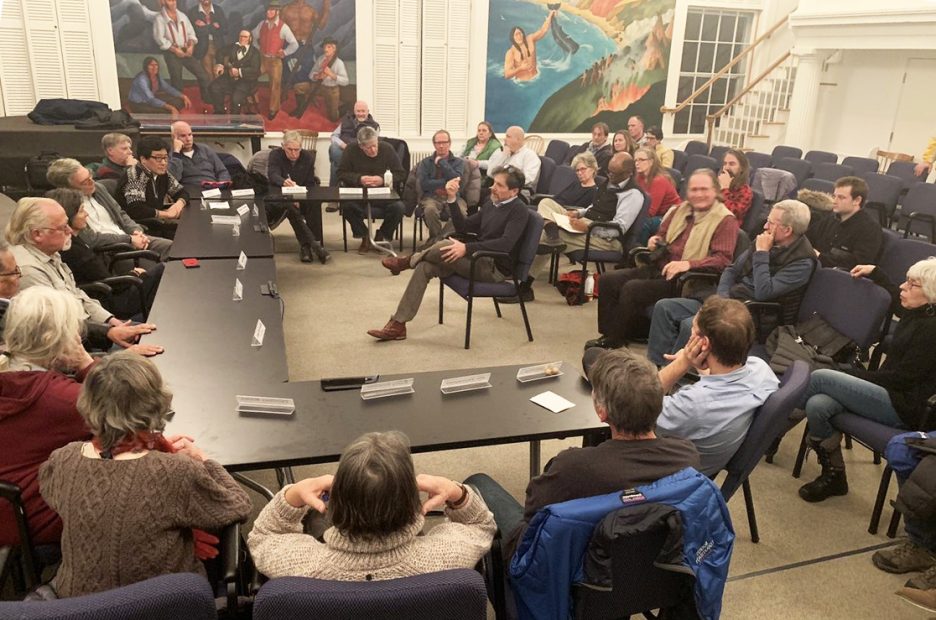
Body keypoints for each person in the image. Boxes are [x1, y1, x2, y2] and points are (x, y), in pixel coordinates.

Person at [38, 351, 252, 598]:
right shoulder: (177, 472)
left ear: (88, 403)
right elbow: (238, 505)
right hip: (164, 605)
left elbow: (52, 490)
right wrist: (203, 460)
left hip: (78, 606)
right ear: (156, 403)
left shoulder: (63, 459)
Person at [465, 347, 700, 560]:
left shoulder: (573, 468)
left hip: (571, 572)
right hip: (644, 573)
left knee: (476, 484)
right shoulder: (686, 457)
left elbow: (533, 513)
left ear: (601, 412)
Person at [247, 431, 495, 580]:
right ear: (413, 503)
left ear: (336, 502)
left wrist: (293, 494)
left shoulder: (298, 565)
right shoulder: (446, 556)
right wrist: (456, 492)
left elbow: (264, 536)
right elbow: (481, 524)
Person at [798, 257, 936, 503]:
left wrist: (851, 374)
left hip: (906, 406)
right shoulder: (918, 311)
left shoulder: (932, 330)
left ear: (931, 293)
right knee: (818, 404)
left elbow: (901, 380)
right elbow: (895, 296)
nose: (903, 287)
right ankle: (835, 475)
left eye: (911, 285)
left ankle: (771, 427)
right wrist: (877, 272)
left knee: (819, 377)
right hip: (888, 390)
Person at [368, 166, 529, 341]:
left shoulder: (519, 210)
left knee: (445, 244)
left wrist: (466, 248)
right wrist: (452, 199)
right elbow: (464, 227)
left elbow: (505, 244)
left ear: (514, 191)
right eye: (494, 183)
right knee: (425, 266)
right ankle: (398, 325)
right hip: (478, 258)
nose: (492, 187)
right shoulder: (492, 204)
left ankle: (405, 262)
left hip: (494, 268)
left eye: (499, 185)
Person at [647, 199, 816, 365]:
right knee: (665, 307)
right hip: (730, 301)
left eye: (771, 223)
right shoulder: (767, 240)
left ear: (787, 230)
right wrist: (722, 297)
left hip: (754, 313)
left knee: (689, 324)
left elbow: (764, 292)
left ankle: (679, 378)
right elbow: (731, 269)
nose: (765, 226)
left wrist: (762, 254)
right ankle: (658, 368)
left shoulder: (802, 262)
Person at [586, 168, 739, 349]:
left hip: (686, 280)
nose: (698, 194)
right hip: (659, 266)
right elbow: (663, 234)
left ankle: (615, 340)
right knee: (608, 280)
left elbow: (722, 260)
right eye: (694, 189)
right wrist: (655, 240)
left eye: (704, 189)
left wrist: (688, 264)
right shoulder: (679, 210)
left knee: (632, 288)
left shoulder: (725, 220)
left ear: (716, 191)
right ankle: (610, 332)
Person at [0, 287, 92, 550]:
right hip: (29, 521)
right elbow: (126, 412)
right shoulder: (63, 400)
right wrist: (86, 363)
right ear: (56, 337)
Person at [651, 296, 779, 476]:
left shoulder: (692, 404)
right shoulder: (761, 370)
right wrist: (700, 366)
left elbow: (637, 404)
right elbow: (723, 385)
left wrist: (684, 362)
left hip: (667, 477)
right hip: (705, 468)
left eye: (693, 329)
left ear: (703, 344)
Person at [2, 219, 161, 356]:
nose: (70, 230)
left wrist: (111, 324)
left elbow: (78, 294)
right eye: (63, 227)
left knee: (157, 333)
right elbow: (59, 343)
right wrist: (113, 349)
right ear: (37, 234)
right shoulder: (29, 271)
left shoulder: (54, 255)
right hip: (83, 348)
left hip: (90, 333)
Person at [49, 188, 164, 320]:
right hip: (111, 301)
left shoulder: (76, 240)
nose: (86, 214)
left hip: (114, 288)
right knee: (162, 270)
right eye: (81, 210)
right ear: (69, 217)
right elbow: (109, 283)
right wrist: (133, 274)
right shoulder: (73, 250)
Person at [45, 158, 172, 261]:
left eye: (90, 175)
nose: (92, 181)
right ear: (67, 188)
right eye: (84, 182)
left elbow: (121, 214)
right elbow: (90, 239)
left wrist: (136, 232)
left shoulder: (98, 188)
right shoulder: (65, 207)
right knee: (161, 271)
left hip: (131, 238)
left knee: (174, 249)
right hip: (111, 252)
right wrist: (129, 240)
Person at [538, 152, 642, 255]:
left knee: (546, 234)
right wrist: (578, 213)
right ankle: (551, 233)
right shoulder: (610, 182)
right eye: (609, 172)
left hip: (606, 239)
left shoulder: (632, 194)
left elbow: (619, 228)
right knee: (546, 203)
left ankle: (531, 269)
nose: (610, 176)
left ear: (629, 172)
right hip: (588, 221)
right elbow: (595, 206)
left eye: (614, 174)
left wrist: (588, 228)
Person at [336, 126, 406, 254]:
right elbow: (341, 173)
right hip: (359, 193)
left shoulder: (387, 149)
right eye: (368, 147)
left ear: (377, 140)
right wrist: (359, 179)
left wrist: (382, 179)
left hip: (382, 194)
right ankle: (365, 236)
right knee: (346, 207)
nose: (373, 150)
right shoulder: (351, 150)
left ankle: (382, 235)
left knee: (399, 207)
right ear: (361, 146)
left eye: (375, 145)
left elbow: (401, 174)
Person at [267, 130, 330, 264]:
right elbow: (273, 174)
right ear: (283, 146)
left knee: (314, 203)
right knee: (290, 207)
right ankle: (307, 246)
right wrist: (283, 181)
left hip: (302, 194)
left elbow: (309, 182)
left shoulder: (307, 157)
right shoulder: (275, 155)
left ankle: (316, 241)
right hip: (279, 195)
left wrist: (300, 199)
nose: (294, 153)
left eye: (297, 149)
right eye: (290, 149)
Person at [117, 136, 187, 239]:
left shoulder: (162, 174)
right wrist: (166, 214)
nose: (163, 163)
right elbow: (136, 209)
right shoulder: (135, 175)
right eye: (158, 158)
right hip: (140, 230)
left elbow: (182, 192)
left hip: (158, 223)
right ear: (143, 159)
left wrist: (178, 205)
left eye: (165, 158)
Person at [808, 176, 883, 271]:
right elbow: (808, 238)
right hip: (815, 267)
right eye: (834, 196)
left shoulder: (870, 229)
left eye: (841, 197)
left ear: (857, 200)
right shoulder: (830, 219)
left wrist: (820, 257)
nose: (834, 201)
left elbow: (858, 263)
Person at [416, 129, 466, 248]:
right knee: (429, 210)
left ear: (450, 143)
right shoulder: (425, 162)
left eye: (444, 142)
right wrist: (447, 182)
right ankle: (438, 241)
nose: (442, 145)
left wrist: (443, 163)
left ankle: (438, 240)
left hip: (453, 196)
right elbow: (424, 184)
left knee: (462, 214)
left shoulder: (459, 162)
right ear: (434, 144)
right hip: (432, 196)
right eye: (438, 143)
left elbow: (456, 179)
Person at [152, 0, 210, 102]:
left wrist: (191, 46)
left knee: (203, 75)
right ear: (164, 2)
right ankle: (178, 104)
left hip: (185, 50)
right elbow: (160, 39)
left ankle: (207, 100)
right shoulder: (159, 19)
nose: (174, 3)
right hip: (171, 53)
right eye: (170, 1)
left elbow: (191, 33)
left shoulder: (182, 16)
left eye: (174, 0)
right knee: (177, 80)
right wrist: (174, 50)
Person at [252, 0, 300, 121]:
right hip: (263, 59)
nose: (269, 12)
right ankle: (253, 102)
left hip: (275, 61)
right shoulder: (262, 24)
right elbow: (252, 36)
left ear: (277, 12)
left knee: (275, 85)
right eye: (268, 10)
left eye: (272, 10)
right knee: (250, 76)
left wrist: (284, 52)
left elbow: (294, 44)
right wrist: (258, 49)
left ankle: (273, 109)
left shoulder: (283, 27)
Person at [291, 37, 348, 122]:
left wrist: (332, 75)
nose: (325, 49)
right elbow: (311, 74)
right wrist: (316, 76)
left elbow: (345, 81)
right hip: (318, 86)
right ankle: (300, 108)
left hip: (331, 90)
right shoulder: (321, 58)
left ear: (334, 49)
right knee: (299, 87)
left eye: (328, 47)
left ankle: (345, 107)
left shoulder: (339, 63)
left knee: (333, 118)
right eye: (324, 47)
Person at [207, 30, 261, 115]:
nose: (242, 38)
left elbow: (255, 70)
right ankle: (220, 112)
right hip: (230, 78)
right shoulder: (234, 46)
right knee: (214, 87)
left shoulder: (255, 53)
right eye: (240, 36)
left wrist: (239, 71)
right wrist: (220, 64)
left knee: (236, 99)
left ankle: (235, 121)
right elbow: (220, 52)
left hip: (246, 81)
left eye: (245, 37)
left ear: (250, 39)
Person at [328, 101, 380, 189]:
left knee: (336, 164)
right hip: (344, 150)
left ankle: (335, 188)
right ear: (354, 111)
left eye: (363, 111)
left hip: (360, 152)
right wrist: (343, 145)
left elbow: (372, 143)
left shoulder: (374, 126)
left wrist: (351, 148)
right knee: (334, 149)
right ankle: (335, 190)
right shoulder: (345, 121)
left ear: (368, 112)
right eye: (358, 111)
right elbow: (333, 136)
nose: (360, 114)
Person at [634, 146, 680, 242]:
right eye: (636, 160)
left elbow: (650, 212)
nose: (637, 163)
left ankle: (640, 253)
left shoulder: (659, 181)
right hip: (656, 213)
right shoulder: (639, 177)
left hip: (670, 216)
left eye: (641, 160)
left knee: (643, 224)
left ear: (651, 162)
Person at [169, 121, 230, 186]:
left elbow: (222, 171)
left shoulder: (205, 149)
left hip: (212, 189)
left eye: (190, 134)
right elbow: (173, 180)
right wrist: (176, 152)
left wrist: (222, 185)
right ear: (174, 137)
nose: (188, 139)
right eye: (183, 136)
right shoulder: (171, 156)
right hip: (190, 191)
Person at [486, 125, 541, 191]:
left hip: (518, 191)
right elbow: (490, 173)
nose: (505, 139)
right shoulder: (504, 152)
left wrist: (505, 184)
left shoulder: (530, 156)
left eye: (508, 136)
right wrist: (503, 156)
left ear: (518, 139)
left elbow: (527, 179)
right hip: (499, 189)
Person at [504, 12, 554, 81]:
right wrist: (520, 68)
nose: (519, 36)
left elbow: (543, 30)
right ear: (512, 38)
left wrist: (551, 15)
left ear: (523, 34)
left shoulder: (530, 39)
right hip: (523, 83)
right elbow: (507, 75)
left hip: (537, 77)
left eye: (520, 33)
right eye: (516, 35)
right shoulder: (510, 53)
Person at [187, 0, 227, 81]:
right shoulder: (193, 12)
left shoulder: (218, 10)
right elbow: (193, 32)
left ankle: (219, 92)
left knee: (219, 73)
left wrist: (204, 27)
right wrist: (213, 27)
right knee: (208, 75)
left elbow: (225, 30)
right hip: (203, 47)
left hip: (218, 46)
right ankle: (212, 93)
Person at [717, 149, 753, 220]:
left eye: (732, 164)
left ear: (742, 168)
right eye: (725, 163)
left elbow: (730, 214)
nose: (726, 167)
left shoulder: (745, 191)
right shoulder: (718, 182)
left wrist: (724, 189)